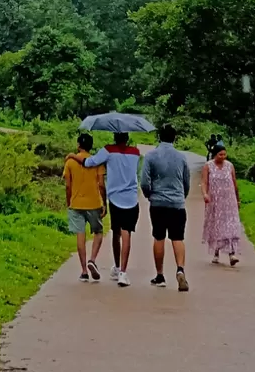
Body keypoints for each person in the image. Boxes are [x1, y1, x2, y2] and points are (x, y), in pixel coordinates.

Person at [74, 130, 141, 286]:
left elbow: (89, 162)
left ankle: (117, 267)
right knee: (127, 234)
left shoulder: (108, 150)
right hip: (131, 199)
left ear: (114, 138)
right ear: (127, 138)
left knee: (116, 233)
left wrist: (72, 156)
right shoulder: (136, 152)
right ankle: (123, 273)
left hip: (115, 199)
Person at [139, 122, 191, 291]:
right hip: (177, 203)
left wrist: (149, 195)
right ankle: (180, 269)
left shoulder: (151, 156)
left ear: (159, 137)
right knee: (177, 238)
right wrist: (181, 196)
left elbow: (145, 182)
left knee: (159, 237)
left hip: (158, 203)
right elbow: (186, 182)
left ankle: (160, 275)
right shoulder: (182, 157)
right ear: (175, 138)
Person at [62, 132, 107, 282]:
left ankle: (83, 271)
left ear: (78, 145)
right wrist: (104, 203)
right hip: (94, 203)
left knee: (80, 235)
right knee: (98, 232)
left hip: (76, 203)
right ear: (91, 146)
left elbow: (68, 186)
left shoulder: (70, 162)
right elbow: (101, 184)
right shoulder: (97, 162)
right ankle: (92, 260)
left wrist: (69, 202)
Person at [201, 141, 244, 265]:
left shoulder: (230, 166)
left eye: (225, 155)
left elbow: (234, 183)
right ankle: (216, 252)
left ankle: (232, 254)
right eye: (220, 155)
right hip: (215, 202)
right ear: (215, 155)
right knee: (217, 226)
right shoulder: (208, 166)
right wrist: (205, 194)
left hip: (229, 201)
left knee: (231, 226)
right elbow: (204, 182)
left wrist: (237, 198)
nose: (223, 157)